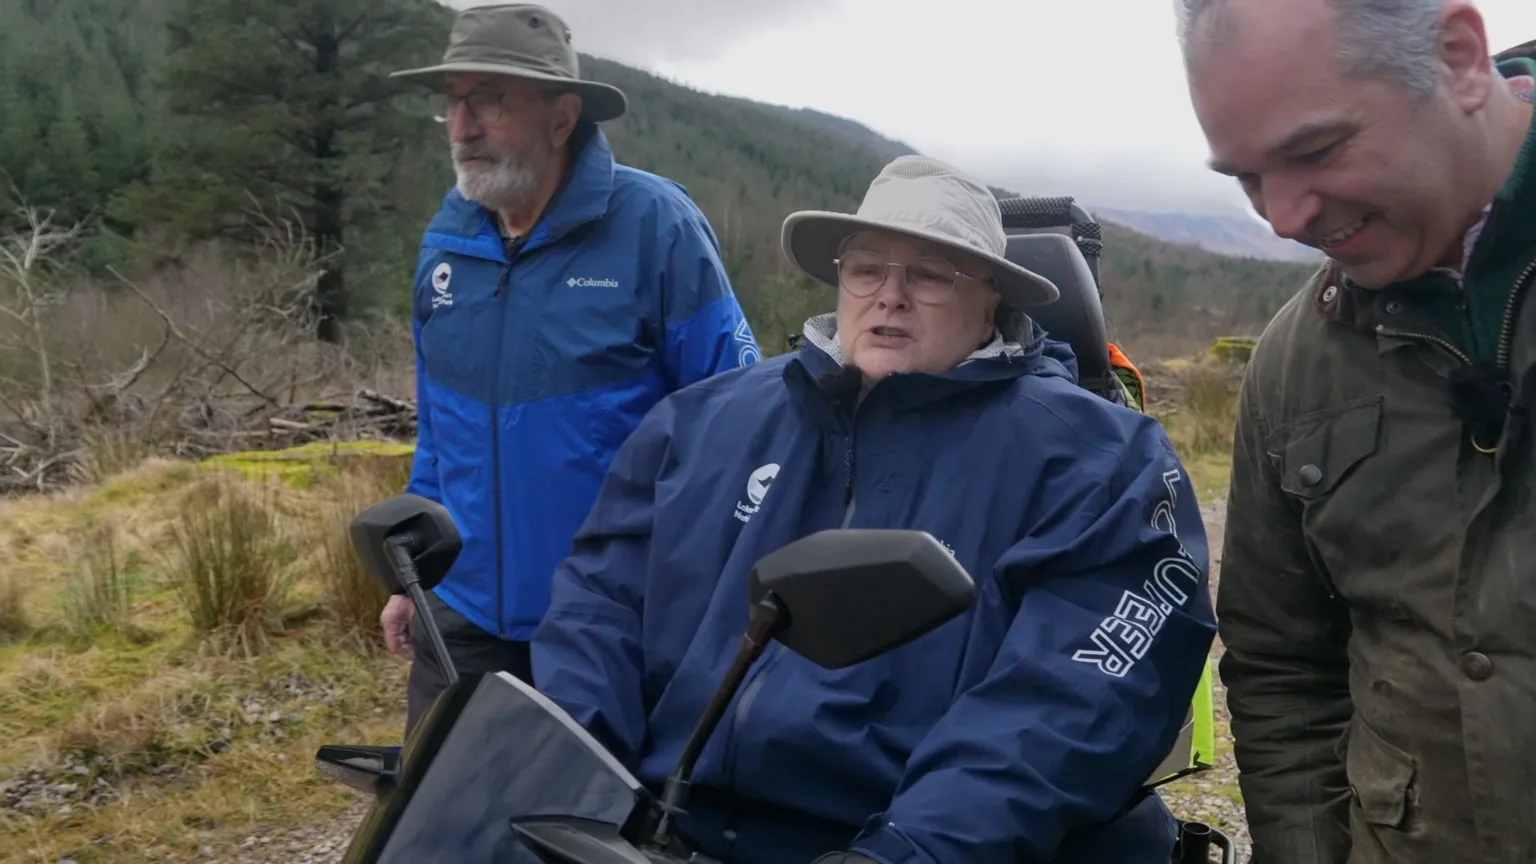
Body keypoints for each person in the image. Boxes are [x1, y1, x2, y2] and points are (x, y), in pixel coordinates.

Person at [531, 155, 1218, 864]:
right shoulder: (700, 425)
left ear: (992, 300)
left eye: (928, 275)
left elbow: (1072, 699)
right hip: (665, 828)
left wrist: (911, 850)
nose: (889, 296)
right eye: (866, 269)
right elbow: (597, 607)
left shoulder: (1099, 459)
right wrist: (580, 789)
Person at [1173, 0, 1536, 860]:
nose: (1284, 217)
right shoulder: (1296, 366)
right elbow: (1281, 668)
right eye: (1246, 177)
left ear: (1457, 56)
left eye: (1314, 151)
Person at [383, 3, 761, 736]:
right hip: (458, 617)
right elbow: (442, 428)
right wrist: (414, 573)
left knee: (581, 834)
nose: (463, 127)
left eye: (489, 100)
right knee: (442, 824)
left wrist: (703, 608)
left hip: (606, 626)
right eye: (453, 103)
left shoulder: (656, 229)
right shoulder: (449, 242)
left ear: (562, 116)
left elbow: (740, 432)